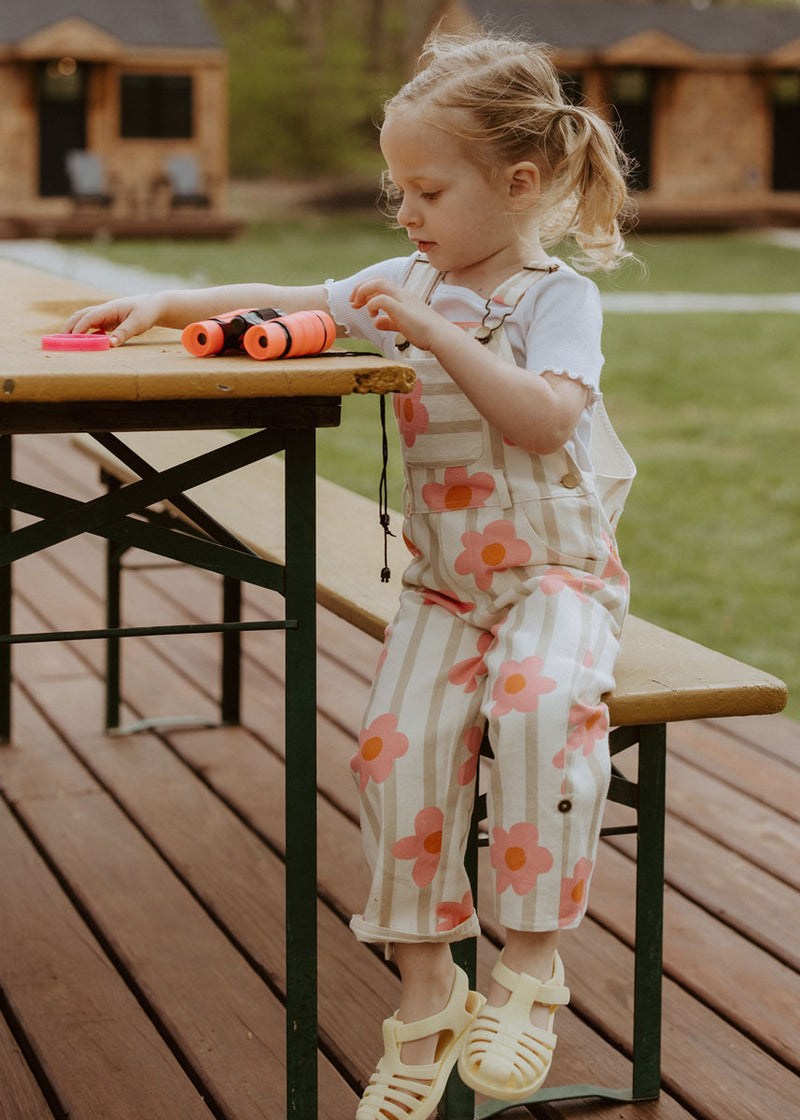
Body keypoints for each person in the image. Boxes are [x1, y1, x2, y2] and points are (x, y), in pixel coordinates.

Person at [65, 30, 636, 1120]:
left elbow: (539, 418)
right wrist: (164, 306)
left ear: (517, 185)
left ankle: (525, 967)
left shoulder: (551, 298)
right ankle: (426, 1002)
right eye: (396, 190)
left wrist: (432, 331)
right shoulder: (403, 277)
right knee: (396, 750)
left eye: (427, 189)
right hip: (445, 586)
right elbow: (289, 291)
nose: (406, 214)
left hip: (555, 581)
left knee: (539, 706)